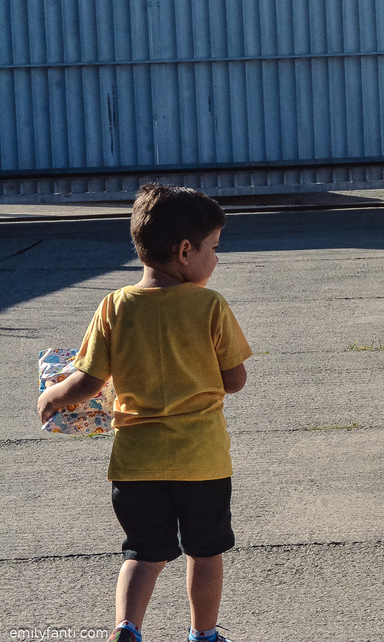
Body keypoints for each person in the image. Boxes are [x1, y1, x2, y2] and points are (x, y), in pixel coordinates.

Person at [37, 184, 252, 642]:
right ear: (185, 251)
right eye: (214, 248)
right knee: (205, 552)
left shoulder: (114, 306)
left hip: (136, 464)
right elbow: (235, 380)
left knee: (142, 552)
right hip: (202, 461)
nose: (217, 259)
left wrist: (51, 397)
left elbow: (88, 382)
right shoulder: (210, 305)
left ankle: (127, 627)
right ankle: (204, 635)